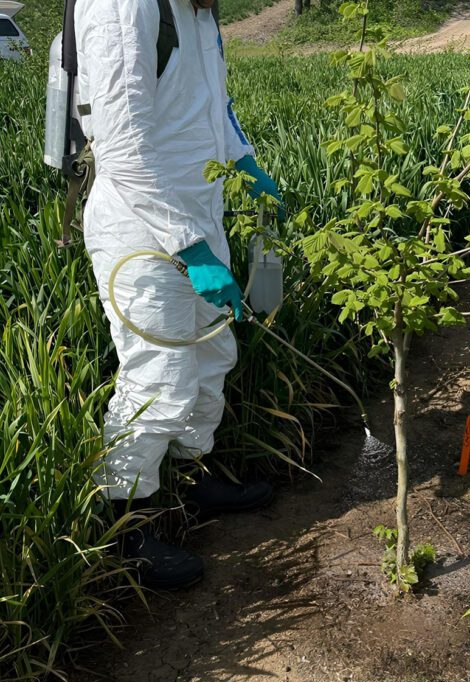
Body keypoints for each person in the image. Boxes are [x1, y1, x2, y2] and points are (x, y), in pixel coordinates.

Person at [74, 0, 282, 589]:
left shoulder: (195, 10)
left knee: (212, 356)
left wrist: (245, 162)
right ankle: (127, 530)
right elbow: (120, 142)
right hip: (142, 230)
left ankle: (195, 480)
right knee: (156, 378)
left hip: (197, 216)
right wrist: (189, 248)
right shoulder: (122, 4)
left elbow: (212, 105)